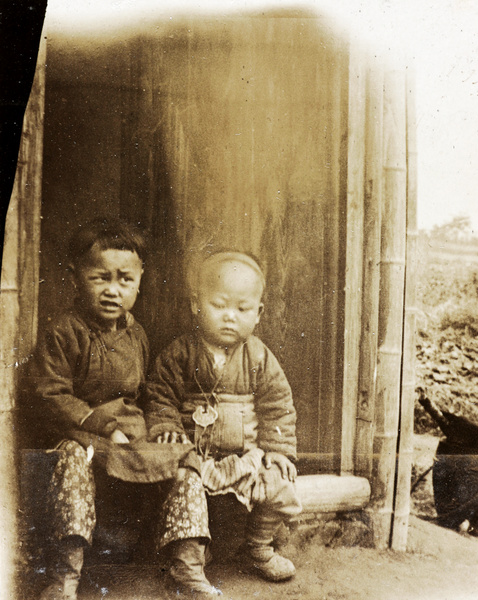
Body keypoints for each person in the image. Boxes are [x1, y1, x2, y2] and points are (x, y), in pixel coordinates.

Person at [26, 219, 197, 600]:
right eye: (100, 278)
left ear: (139, 282)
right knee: (72, 459)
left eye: (124, 280)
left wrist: (163, 424)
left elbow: (149, 392)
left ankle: (188, 566)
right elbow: (51, 394)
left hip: (126, 434)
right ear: (74, 277)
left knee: (184, 460)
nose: (112, 291)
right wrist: (101, 426)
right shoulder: (64, 331)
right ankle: (63, 574)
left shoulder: (137, 335)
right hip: (77, 431)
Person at [146, 250, 302, 599]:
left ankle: (257, 548)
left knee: (279, 483)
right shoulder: (180, 353)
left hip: (245, 456)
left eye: (242, 309)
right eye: (219, 305)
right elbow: (160, 395)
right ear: (196, 304)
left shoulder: (259, 357)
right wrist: (165, 426)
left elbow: (278, 407)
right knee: (184, 486)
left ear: (258, 313)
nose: (230, 317)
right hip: (194, 457)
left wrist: (278, 452)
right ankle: (187, 567)